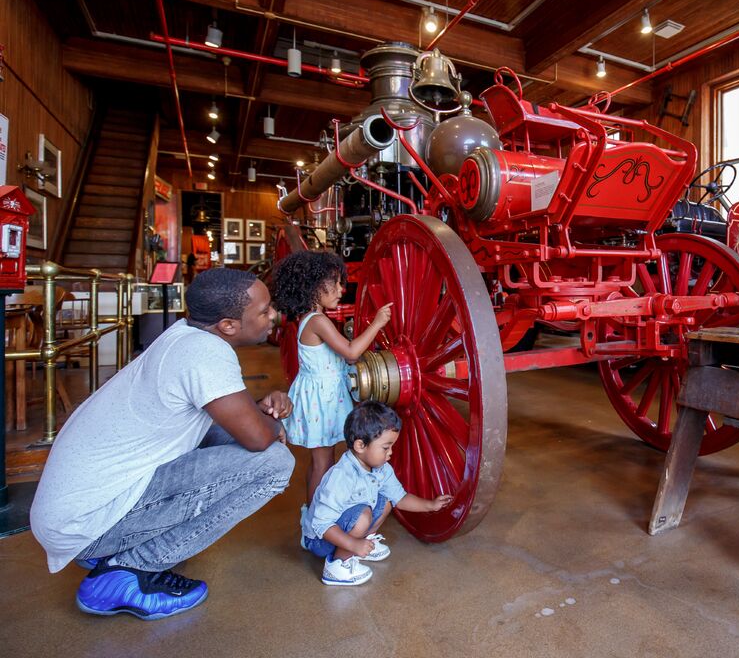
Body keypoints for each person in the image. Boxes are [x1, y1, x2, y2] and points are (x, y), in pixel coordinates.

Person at [30, 268, 295, 621]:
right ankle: (129, 571)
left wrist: (259, 414)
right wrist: (269, 420)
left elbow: (238, 423)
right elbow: (260, 439)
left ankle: (116, 550)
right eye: (264, 311)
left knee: (228, 435)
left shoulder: (185, 333)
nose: (273, 316)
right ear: (229, 325)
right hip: (84, 525)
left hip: (69, 516)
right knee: (275, 464)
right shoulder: (206, 353)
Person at [270, 250, 392, 510]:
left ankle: (321, 514)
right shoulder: (317, 321)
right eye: (335, 283)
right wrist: (377, 324)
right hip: (322, 401)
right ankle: (317, 521)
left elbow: (344, 358)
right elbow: (350, 353)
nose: (341, 289)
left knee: (324, 460)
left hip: (326, 397)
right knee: (322, 463)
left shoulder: (312, 319)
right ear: (314, 287)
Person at [302, 400, 452, 586]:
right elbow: (321, 524)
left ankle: (363, 542)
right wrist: (353, 545)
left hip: (342, 528)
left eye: (391, 447)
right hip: (320, 539)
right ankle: (338, 565)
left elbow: (401, 498)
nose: (390, 453)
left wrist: (431, 504)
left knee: (387, 500)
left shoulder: (381, 468)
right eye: (385, 447)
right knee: (363, 515)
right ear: (360, 446)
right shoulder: (342, 476)